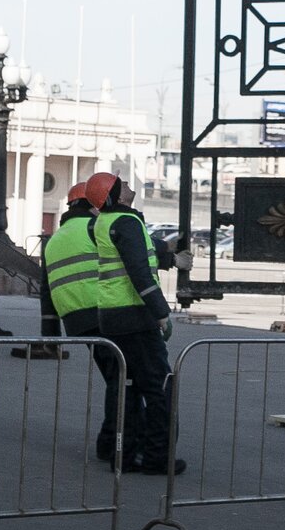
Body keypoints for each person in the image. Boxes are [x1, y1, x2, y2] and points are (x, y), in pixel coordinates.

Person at [87, 170, 185, 476]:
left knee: (126, 388)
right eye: (123, 185)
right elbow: (140, 272)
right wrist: (161, 313)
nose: (129, 186)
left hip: (112, 316)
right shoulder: (126, 222)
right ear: (113, 195)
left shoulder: (102, 222)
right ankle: (157, 456)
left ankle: (125, 455)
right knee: (158, 387)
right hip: (135, 316)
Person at [45, 182, 128, 461]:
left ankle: (113, 442)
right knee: (122, 377)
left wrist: (50, 334)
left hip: (77, 320)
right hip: (106, 310)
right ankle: (111, 444)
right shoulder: (94, 228)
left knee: (114, 375)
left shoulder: (55, 238)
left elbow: (45, 291)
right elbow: (131, 250)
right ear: (92, 204)